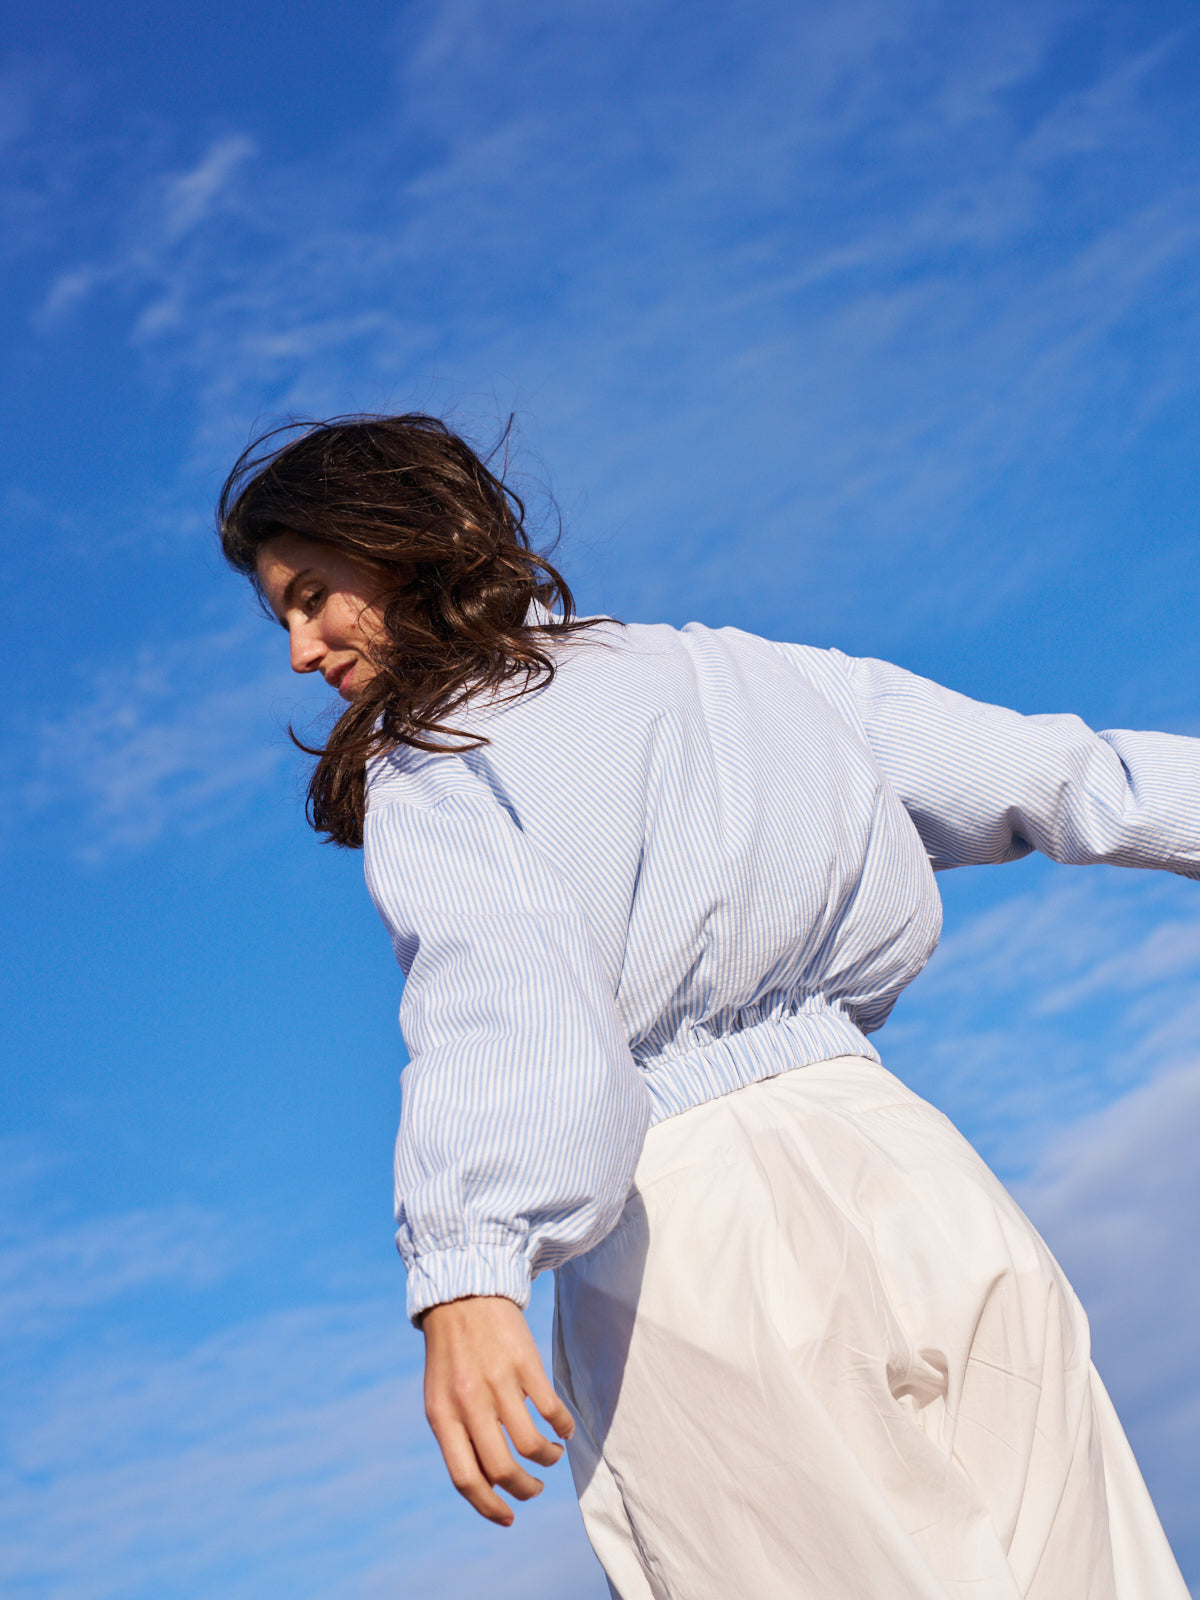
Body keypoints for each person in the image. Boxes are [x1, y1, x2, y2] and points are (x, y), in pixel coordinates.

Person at [219, 412, 1192, 1600]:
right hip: (920, 1177)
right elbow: (1072, 775)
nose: (302, 650)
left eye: (314, 595)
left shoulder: (436, 756)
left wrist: (469, 1271)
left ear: (404, 541)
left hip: (687, 1230)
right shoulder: (748, 670)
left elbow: (509, 990)